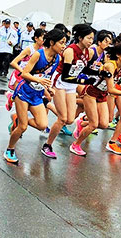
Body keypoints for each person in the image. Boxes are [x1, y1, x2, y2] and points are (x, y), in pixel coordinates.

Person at [4, 29, 66, 164]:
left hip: (37, 94)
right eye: (61, 43)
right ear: (52, 42)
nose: (63, 46)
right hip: (24, 91)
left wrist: (49, 88)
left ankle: (18, 118)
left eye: (64, 43)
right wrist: (39, 81)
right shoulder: (38, 55)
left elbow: (45, 77)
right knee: (23, 127)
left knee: (42, 125)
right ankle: (10, 149)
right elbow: (24, 74)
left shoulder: (58, 58)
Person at [42, 24, 94, 158]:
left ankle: (46, 104)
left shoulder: (87, 52)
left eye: (92, 39)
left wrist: (98, 72)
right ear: (80, 38)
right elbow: (66, 75)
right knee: (62, 118)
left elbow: (84, 69)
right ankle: (47, 145)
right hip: (60, 82)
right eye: (88, 38)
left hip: (72, 84)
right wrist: (83, 81)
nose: (91, 41)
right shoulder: (70, 50)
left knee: (70, 119)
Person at [6, 29, 45, 110]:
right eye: (42, 37)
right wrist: (23, 72)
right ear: (36, 38)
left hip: (30, 78)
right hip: (20, 76)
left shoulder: (43, 50)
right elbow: (13, 62)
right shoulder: (29, 49)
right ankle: (11, 98)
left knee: (26, 104)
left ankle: (12, 98)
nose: (44, 40)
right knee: (20, 102)